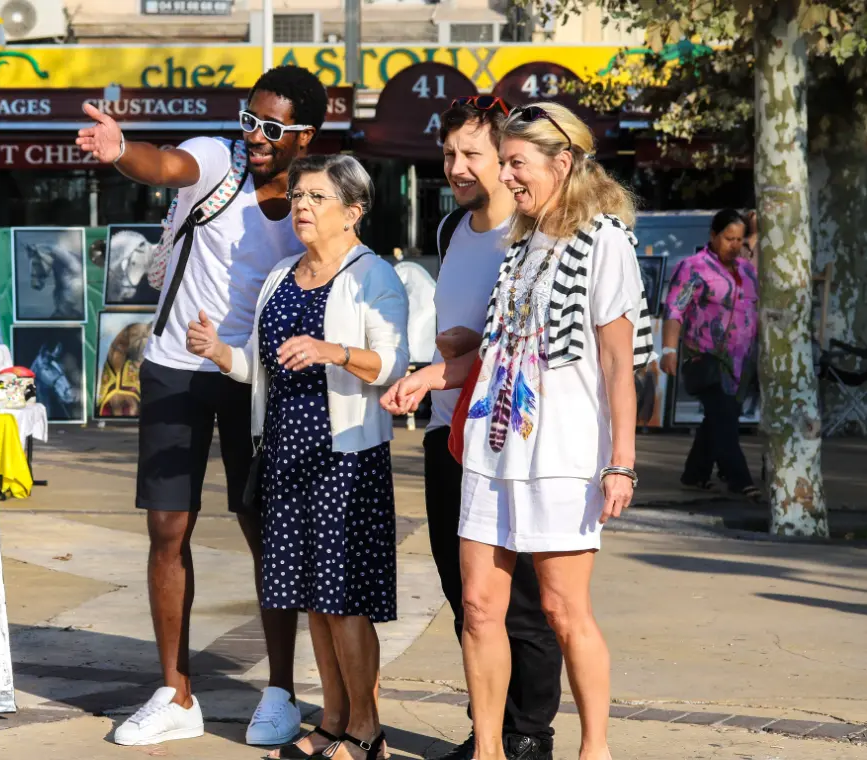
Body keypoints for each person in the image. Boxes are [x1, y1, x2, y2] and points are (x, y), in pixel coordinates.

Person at [384, 102, 651, 760]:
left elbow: (620, 363)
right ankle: (488, 750)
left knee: (561, 610)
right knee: (476, 604)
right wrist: (431, 377)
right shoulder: (519, 241)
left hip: (561, 453)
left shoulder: (602, 240)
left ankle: (594, 749)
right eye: (501, 163)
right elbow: (499, 348)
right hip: (490, 444)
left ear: (562, 163)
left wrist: (620, 461)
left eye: (515, 163)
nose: (506, 176)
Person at [76, 66, 330, 747]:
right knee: (167, 529)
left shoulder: (313, 199)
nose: (255, 135)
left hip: (257, 379)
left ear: (305, 134)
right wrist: (119, 151)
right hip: (175, 367)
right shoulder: (218, 161)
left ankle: (280, 690)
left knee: (264, 533)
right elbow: (165, 164)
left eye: (271, 128)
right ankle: (174, 690)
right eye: (249, 119)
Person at [187, 154, 406, 760]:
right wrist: (218, 352)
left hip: (346, 456)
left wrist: (333, 351)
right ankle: (333, 717)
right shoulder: (282, 273)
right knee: (310, 595)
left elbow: (391, 363)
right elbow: (261, 368)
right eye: (299, 196)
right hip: (285, 454)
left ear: (353, 211)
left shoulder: (372, 277)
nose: (302, 207)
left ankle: (368, 729)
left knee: (345, 600)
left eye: (316, 197)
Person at [416, 97, 563, 760]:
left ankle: (530, 733)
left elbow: (540, 339)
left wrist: (471, 346)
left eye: (470, 154)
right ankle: (489, 735)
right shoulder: (452, 230)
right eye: (448, 154)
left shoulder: (533, 235)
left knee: (522, 604)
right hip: (446, 431)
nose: (456, 167)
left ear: (504, 157)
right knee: (465, 597)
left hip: (509, 440)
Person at [660, 209, 759, 499]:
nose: (734, 245)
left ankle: (695, 473)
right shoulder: (693, 268)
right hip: (705, 357)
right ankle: (740, 480)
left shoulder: (747, 271)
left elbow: (756, 311)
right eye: (728, 238)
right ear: (713, 236)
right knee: (725, 418)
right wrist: (668, 350)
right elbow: (674, 310)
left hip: (742, 361)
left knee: (719, 417)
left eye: (739, 240)